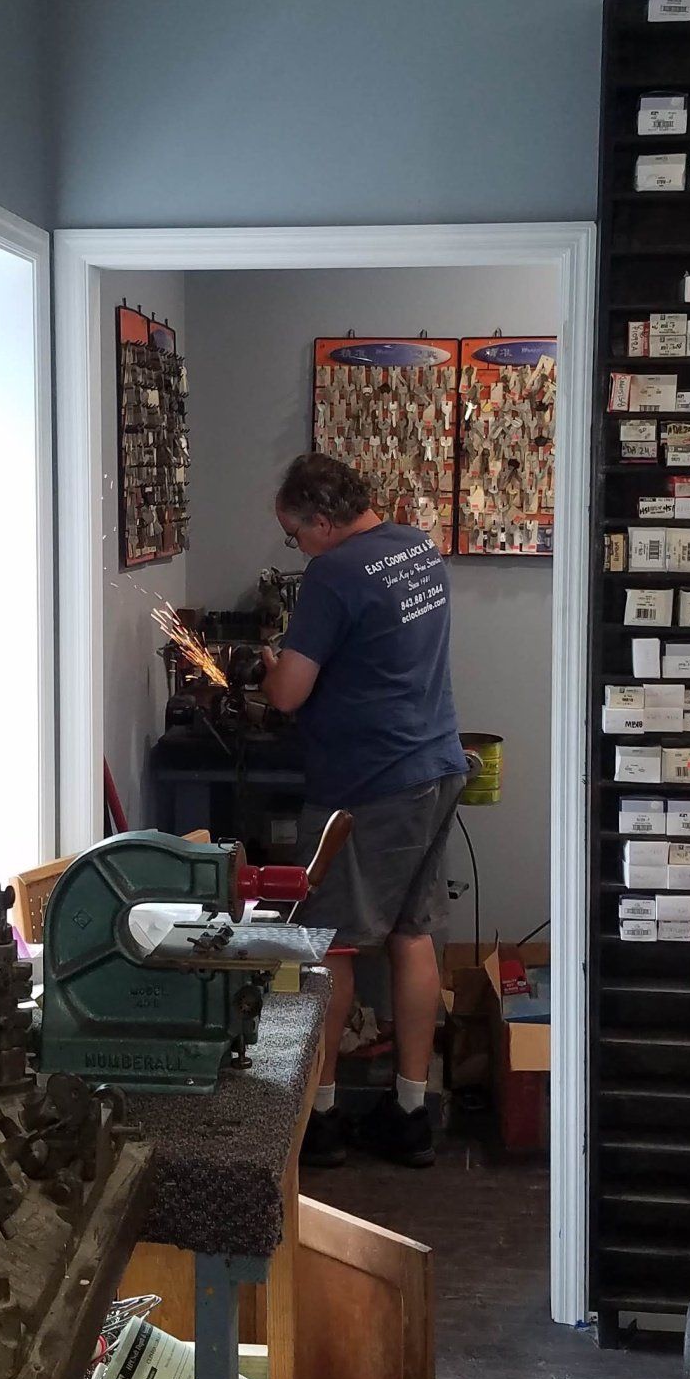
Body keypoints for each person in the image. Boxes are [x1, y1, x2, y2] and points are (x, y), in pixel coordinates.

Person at [261, 452, 468, 1168]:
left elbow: (287, 694)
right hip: (436, 765)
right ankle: (410, 1113)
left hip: (365, 784)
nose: (298, 548)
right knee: (412, 935)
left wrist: (268, 667)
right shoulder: (416, 547)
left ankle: (319, 1121)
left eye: (296, 534)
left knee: (329, 943)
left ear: (322, 520)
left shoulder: (334, 573)